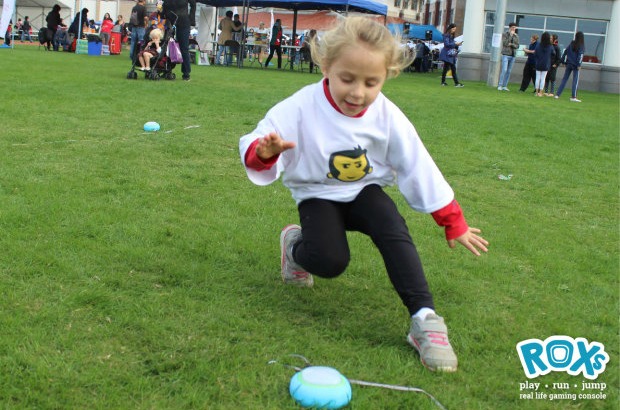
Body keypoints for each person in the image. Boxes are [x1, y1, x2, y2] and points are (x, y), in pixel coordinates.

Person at [239, 16, 488, 373]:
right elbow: (257, 140)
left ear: (387, 75)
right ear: (326, 66)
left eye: (371, 82)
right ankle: (295, 248)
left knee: (392, 226)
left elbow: (417, 164)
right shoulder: (300, 106)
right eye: (347, 79)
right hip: (317, 193)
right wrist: (264, 153)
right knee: (330, 261)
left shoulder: (387, 116)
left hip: (363, 190)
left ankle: (425, 319)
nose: (358, 93)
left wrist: (453, 221)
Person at [163, 0, 196, 81]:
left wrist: (191, 19)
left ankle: (186, 73)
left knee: (184, 48)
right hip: (170, 22)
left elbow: (193, 4)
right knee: (167, 46)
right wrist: (163, 13)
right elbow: (164, 6)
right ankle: (167, 69)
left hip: (183, 22)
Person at [555, 31, 585, 103]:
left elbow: (565, 52)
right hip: (575, 65)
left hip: (569, 64)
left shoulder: (572, 43)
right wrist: (579, 64)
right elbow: (580, 55)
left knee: (564, 79)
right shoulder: (581, 45)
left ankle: (557, 94)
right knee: (575, 80)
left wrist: (563, 61)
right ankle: (573, 97)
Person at [497, 22, 519, 91]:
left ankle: (504, 86)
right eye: (512, 27)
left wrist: (511, 44)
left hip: (513, 55)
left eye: (515, 27)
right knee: (504, 70)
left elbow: (517, 46)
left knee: (509, 71)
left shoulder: (516, 36)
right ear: (510, 27)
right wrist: (510, 36)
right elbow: (505, 43)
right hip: (505, 54)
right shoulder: (505, 34)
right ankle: (500, 85)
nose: (514, 29)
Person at [533, 32, 555, 97]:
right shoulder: (550, 46)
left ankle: (536, 92)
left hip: (538, 63)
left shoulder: (538, 45)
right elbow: (553, 54)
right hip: (546, 64)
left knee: (537, 78)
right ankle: (540, 92)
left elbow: (535, 54)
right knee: (543, 78)